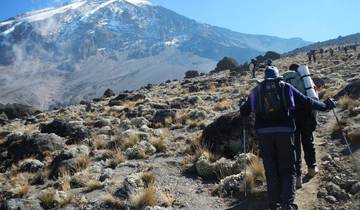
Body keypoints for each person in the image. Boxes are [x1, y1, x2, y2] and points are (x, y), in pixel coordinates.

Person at [240, 66, 336, 210]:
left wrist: (242, 103)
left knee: (271, 170)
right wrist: (325, 105)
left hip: (264, 135)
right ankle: (288, 205)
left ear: (265, 78)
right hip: (284, 132)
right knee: (288, 170)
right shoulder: (286, 87)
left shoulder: (256, 91)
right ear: (278, 76)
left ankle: (274, 205)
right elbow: (307, 101)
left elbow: (244, 111)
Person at [287, 64, 319, 189]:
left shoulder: (285, 82)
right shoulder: (306, 80)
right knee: (308, 141)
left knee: (295, 147)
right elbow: (314, 97)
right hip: (306, 115)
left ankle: (297, 178)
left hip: (292, 118)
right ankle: (311, 168)